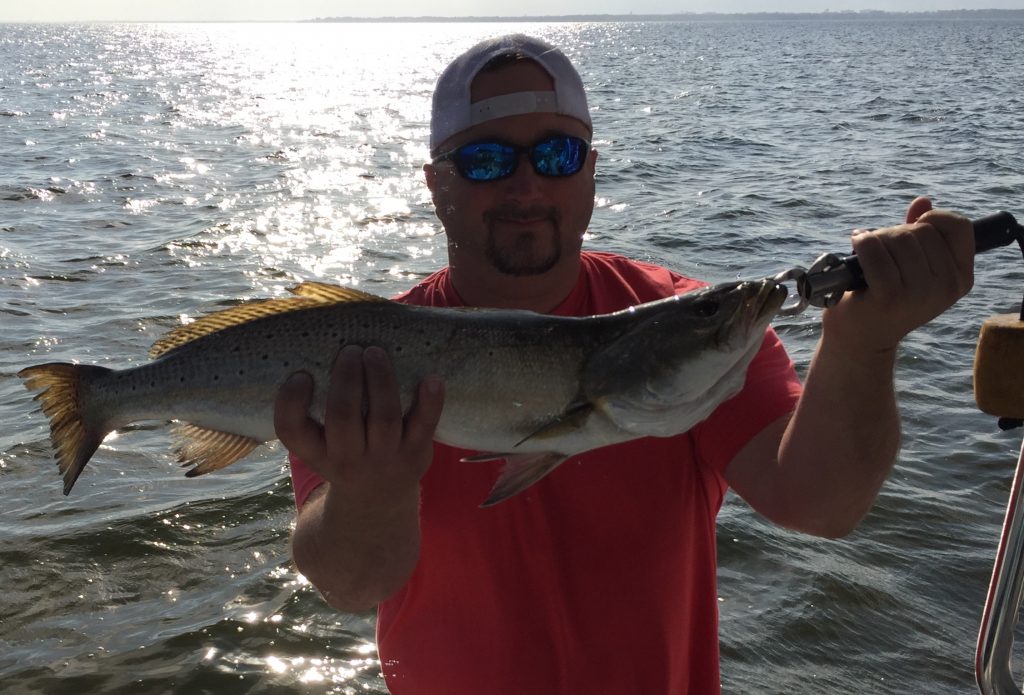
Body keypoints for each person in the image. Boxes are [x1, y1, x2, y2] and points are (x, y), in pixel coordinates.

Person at [273, 34, 974, 694]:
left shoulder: (694, 327)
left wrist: (863, 344)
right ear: (435, 184)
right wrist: (371, 492)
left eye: (556, 156)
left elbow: (820, 504)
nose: (525, 185)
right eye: (486, 160)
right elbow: (352, 585)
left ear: (592, 169)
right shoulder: (362, 352)